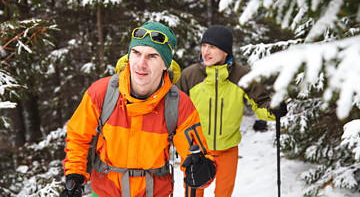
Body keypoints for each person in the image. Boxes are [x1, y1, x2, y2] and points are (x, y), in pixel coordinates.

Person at [61, 21, 217, 197]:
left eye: (152, 56)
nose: (141, 64)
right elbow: (77, 136)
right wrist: (75, 175)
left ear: (166, 64)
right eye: (136, 53)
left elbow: (197, 158)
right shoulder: (101, 93)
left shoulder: (179, 105)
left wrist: (203, 172)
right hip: (105, 192)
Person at [176, 25, 287, 197]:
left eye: (212, 47)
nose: (205, 51)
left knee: (224, 193)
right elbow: (175, 109)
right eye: (204, 46)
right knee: (193, 193)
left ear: (225, 51)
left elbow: (262, 103)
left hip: (228, 149)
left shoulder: (242, 76)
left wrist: (274, 110)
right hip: (197, 149)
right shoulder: (190, 75)